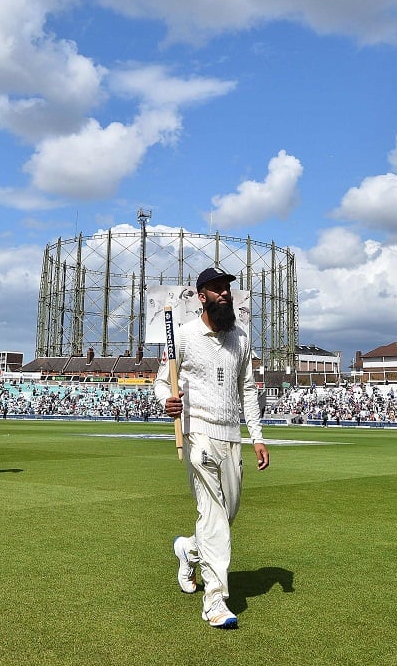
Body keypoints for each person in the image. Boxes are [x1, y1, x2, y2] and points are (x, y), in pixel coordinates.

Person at [154, 266, 270, 630]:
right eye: (217, 289)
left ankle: (187, 551)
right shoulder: (185, 336)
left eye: (227, 289)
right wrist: (167, 401)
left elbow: (247, 390)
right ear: (201, 295)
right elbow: (161, 383)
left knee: (227, 514)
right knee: (215, 515)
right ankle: (215, 599)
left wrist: (257, 436)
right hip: (197, 433)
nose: (225, 294)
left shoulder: (241, 337)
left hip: (231, 436)